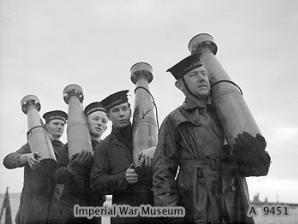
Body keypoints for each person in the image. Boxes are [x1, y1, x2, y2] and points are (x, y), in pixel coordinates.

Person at [152, 53, 271, 224]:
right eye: (193, 75)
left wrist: (256, 157)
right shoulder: (174, 120)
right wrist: (170, 214)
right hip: (195, 204)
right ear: (180, 85)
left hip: (234, 200)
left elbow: (258, 170)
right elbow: (163, 172)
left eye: (203, 73)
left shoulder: (230, 115)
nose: (201, 78)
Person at [90, 90, 157, 224]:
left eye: (124, 109)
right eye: (115, 110)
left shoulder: (150, 134)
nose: (121, 114)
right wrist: (123, 178)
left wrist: (157, 150)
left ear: (130, 111)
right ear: (109, 116)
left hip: (155, 210)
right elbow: (96, 183)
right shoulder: (104, 147)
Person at [3, 110, 67, 224]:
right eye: (55, 123)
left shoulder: (65, 149)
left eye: (62, 124)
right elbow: (8, 160)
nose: (60, 127)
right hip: (32, 211)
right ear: (46, 126)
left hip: (55, 212)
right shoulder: (34, 144)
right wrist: (26, 157)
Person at [48, 102, 108, 224]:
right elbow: (58, 176)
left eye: (103, 121)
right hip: (69, 209)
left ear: (106, 127)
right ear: (86, 122)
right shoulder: (70, 147)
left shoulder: (108, 149)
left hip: (94, 210)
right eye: (95, 119)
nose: (99, 123)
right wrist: (71, 169)